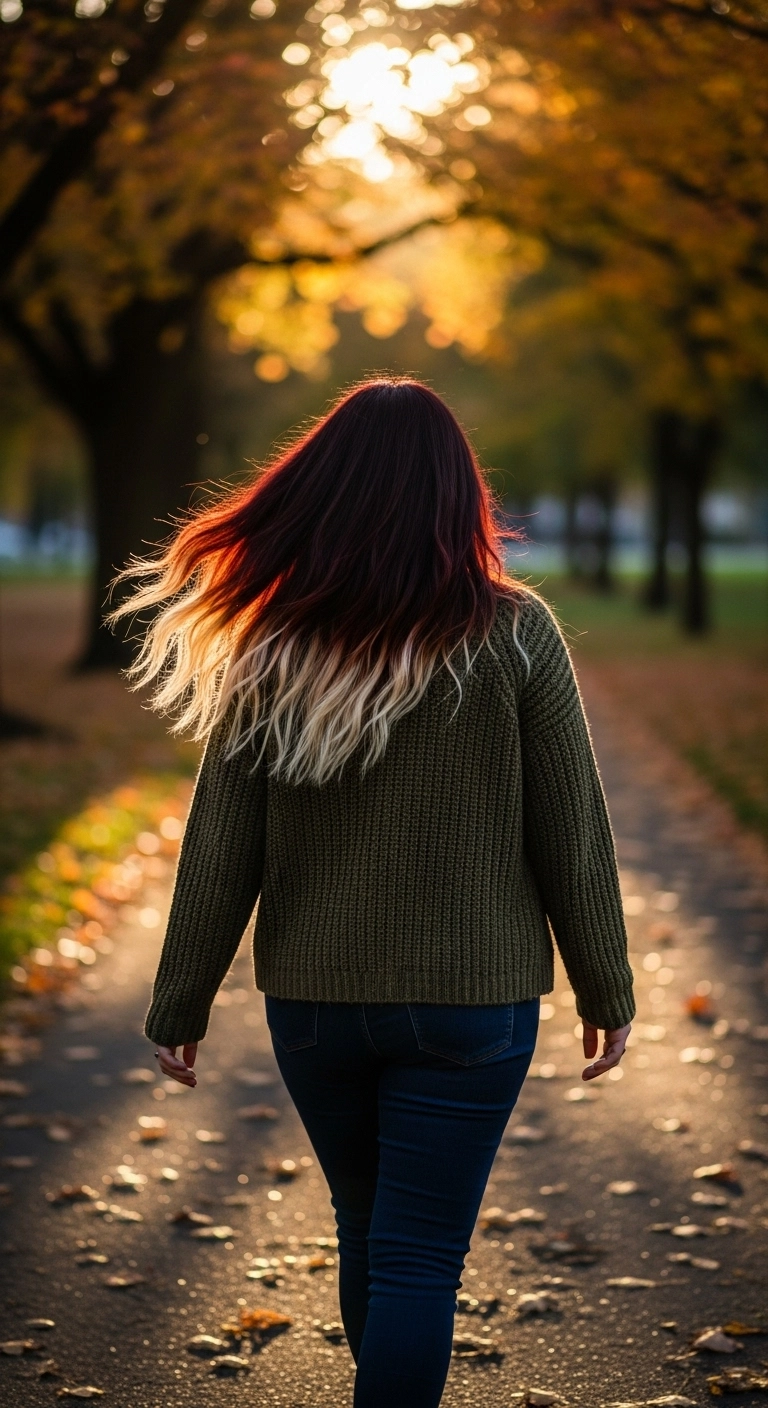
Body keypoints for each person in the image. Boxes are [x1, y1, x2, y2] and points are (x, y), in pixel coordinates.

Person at [113, 378, 634, 1408]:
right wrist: (604, 989)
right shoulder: (519, 633)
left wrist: (181, 1002)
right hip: (472, 1005)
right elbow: (571, 831)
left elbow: (222, 844)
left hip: (318, 1004)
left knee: (369, 1229)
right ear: (459, 494)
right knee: (418, 1257)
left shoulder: (275, 642)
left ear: (326, 491)